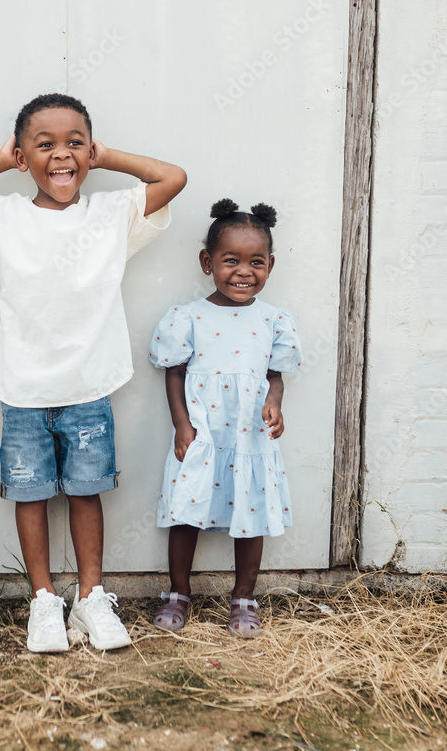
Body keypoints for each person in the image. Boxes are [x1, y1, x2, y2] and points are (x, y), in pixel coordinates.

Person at [0, 93, 186, 652]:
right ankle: (44, 600)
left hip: (89, 386)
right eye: (45, 145)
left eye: (75, 144)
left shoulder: (111, 213)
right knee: (31, 495)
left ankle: (91, 598)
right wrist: (3, 160)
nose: (62, 155)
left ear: (90, 151)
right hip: (22, 388)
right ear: (23, 157)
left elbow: (173, 178)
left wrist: (106, 155)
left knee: (88, 494)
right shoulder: (2, 217)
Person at [148, 199, 302, 638]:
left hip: (250, 436)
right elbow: (174, 372)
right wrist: (182, 425)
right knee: (186, 510)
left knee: (251, 512)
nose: (243, 272)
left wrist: (275, 403)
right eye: (231, 260)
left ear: (270, 265)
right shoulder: (189, 317)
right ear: (207, 261)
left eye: (256, 262)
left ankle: (243, 597)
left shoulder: (273, 320)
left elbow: (274, 377)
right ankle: (178, 592)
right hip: (202, 433)